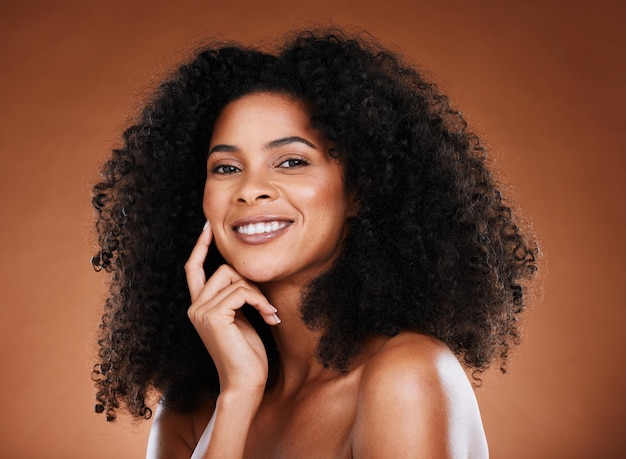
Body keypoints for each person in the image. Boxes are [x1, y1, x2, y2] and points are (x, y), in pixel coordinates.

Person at [91, 28, 537, 458]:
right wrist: (238, 394)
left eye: (290, 161)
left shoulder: (406, 376)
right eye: (226, 168)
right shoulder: (192, 409)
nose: (251, 190)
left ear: (359, 192)